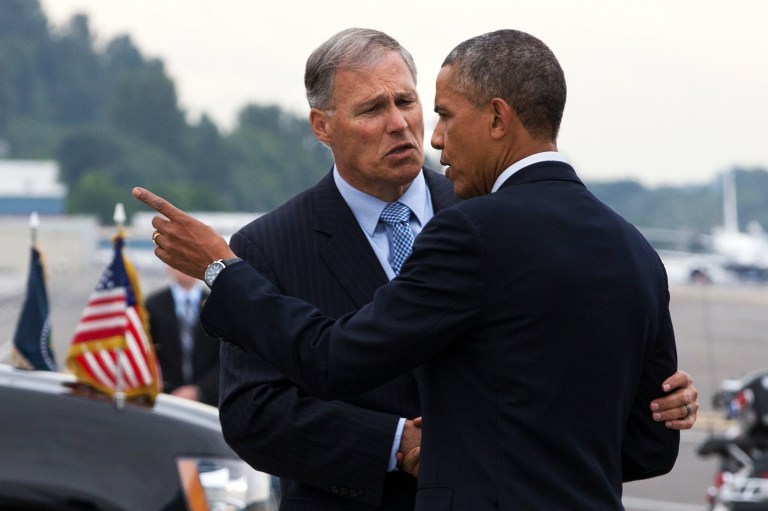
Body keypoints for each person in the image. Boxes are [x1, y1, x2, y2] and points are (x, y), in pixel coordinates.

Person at [135, 28, 697, 510]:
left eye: (409, 103)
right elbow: (254, 416)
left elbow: (338, 357)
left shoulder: (476, 221)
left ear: (495, 117)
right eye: (372, 109)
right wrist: (391, 443)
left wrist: (219, 272)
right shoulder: (271, 245)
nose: (408, 127)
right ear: (322, 126)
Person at [145, 266, 219, 406]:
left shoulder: (217, 304)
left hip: (209, 402)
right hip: (165, 399)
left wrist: (199, 390)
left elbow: (225, 356)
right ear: (168, 266)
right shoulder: (153, 305)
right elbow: (148, 353)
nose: (185, 267)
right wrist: (172, 390)